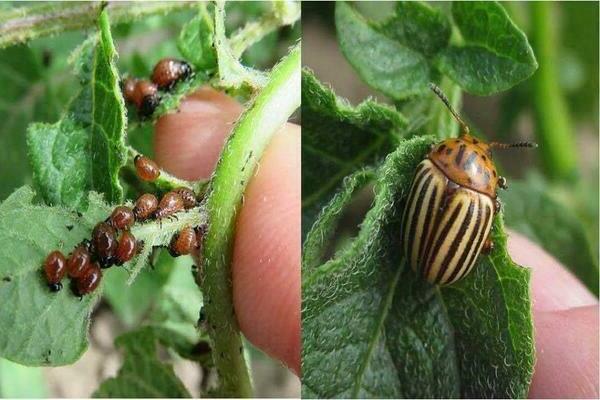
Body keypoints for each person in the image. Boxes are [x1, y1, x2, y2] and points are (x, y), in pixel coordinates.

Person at [154, 88, 598, 398]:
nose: (475, 147)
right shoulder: (485, 198)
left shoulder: (429, 167)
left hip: (423, 246)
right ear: (490, 179)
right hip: (450, 263)